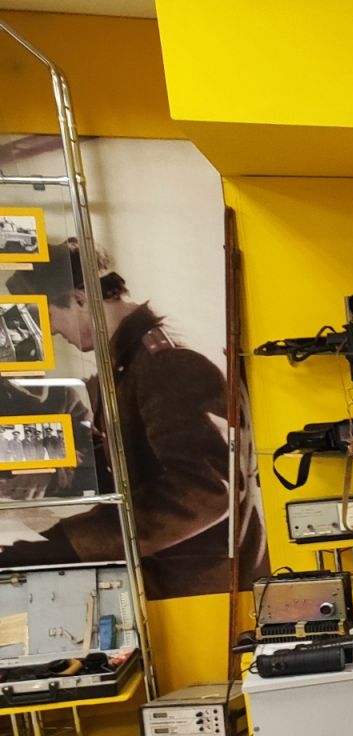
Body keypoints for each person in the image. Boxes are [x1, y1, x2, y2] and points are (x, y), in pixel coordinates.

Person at [3, 246, 269, 598]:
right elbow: (135, 464)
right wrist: (53, 479)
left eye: (49, 316)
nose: (50, 331)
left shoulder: (167, 365)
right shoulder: (128, 364)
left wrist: (63, 545)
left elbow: (205, 490)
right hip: (181, 577)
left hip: (205, 589)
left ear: (80, 300)